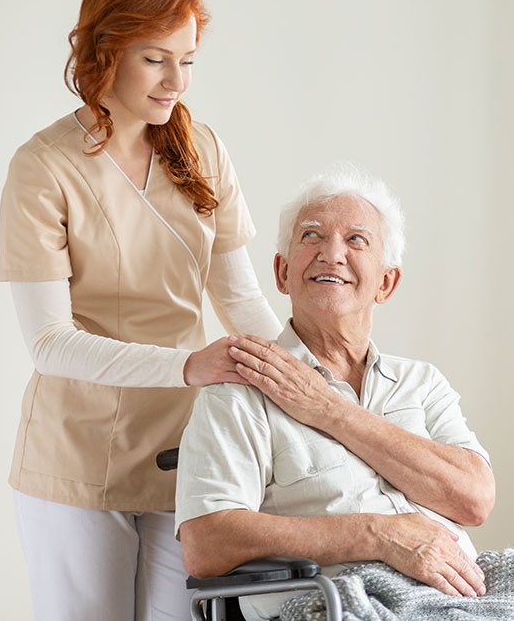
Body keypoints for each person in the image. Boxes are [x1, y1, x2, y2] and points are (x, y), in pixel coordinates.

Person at [0, 0, 283, 620]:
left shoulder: (202, 150)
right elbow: (49, 343)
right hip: (76, 456)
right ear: (105, 53)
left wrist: (315, 380)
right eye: (156, 60)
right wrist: (190, 364)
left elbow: (241, 301)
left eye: (187, 61)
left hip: (186, 453)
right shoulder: (43, 168)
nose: (177, 83)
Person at [175, 165, 497, 620]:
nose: (331, 254)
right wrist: (376, 535)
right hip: (331, 606)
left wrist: (330, 411)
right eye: (311, 236)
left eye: (356, 240)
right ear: (282, 273)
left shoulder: (423, 384)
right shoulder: (241, 388)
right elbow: (206, 542)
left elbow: (474, 499)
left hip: (460, 601)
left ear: (386, 282)